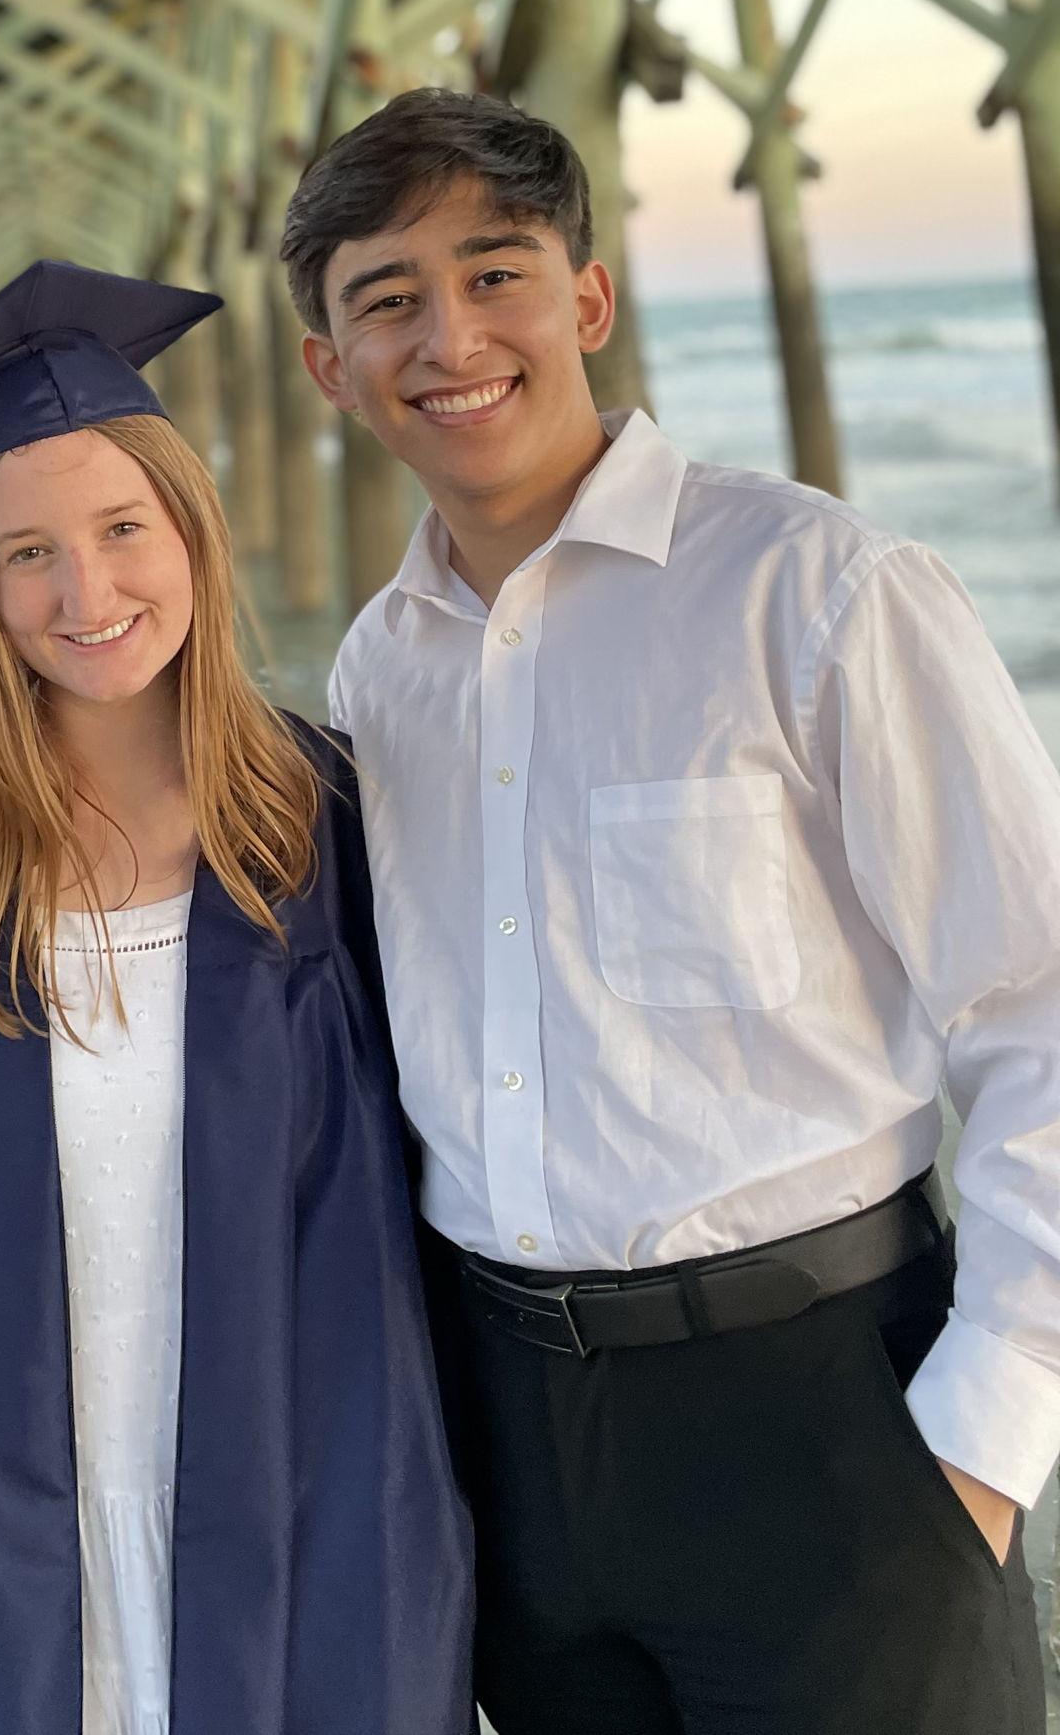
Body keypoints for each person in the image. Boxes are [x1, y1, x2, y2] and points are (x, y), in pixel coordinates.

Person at [287, 85, 1059, 1733]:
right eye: (387, 300)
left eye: (496, 274)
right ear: (326, 365)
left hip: (830, 1418)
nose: (450, 337)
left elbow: (1035, 1004)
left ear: (588, 298)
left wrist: (990, 1438)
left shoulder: (819, 591)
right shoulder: (380, 665)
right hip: (512, 1434)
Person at [0, 261, 475, 1733]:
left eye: (122, 528)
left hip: (311, 1528)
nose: (85, 592)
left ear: (193, 529)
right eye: (25, 553)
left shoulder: (328, 821)